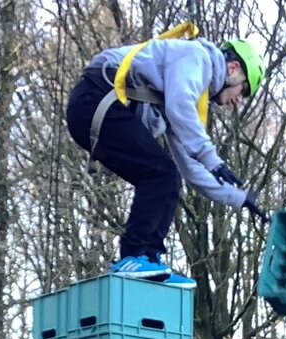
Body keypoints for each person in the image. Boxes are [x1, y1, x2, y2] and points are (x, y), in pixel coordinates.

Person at [65, 25, 269, 290]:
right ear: (232, 70)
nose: (237, 101)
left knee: (168, 177)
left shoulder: (184, 89)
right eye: (243, 91)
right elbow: (179, 106)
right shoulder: (197, 57)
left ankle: (148, 258)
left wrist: (239, 198)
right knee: (158, 172)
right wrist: (212, 158)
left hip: (97, 110)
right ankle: (133, 255)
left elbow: (192, 170)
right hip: (96, 99)